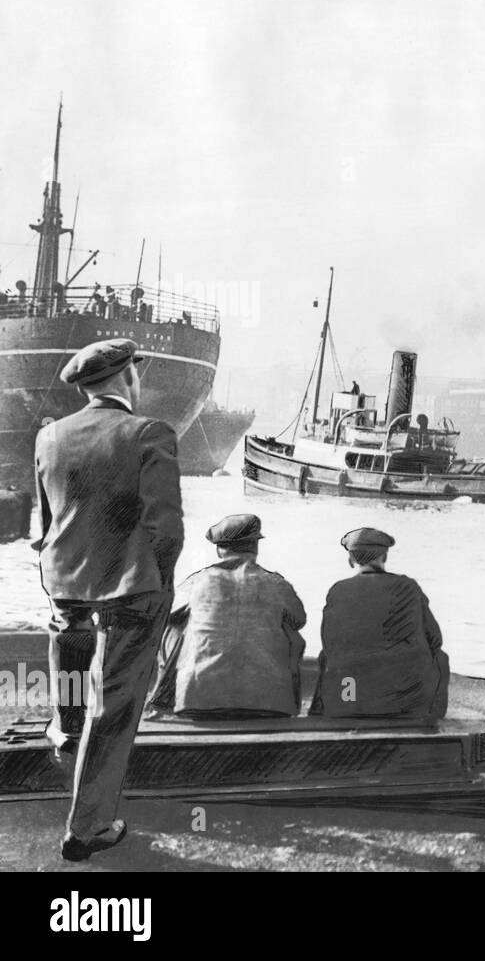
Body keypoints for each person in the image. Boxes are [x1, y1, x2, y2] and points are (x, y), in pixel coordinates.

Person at [34, 338, 183, 861]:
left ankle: (65, 733)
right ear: (127, 378)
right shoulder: (150, 433)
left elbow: (47, 519)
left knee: (73, 669)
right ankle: (88, 827)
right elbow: (166, 529)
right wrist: (159, 586)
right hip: (128, 589)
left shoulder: (49, 435)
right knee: (113, 704)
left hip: (65, 584)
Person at [147, 514, 306, 719]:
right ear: (255, 548)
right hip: (270, 706)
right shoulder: (278, 584)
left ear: (220, 549)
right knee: (290, 632)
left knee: (174, 627)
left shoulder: (197, 582)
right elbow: (299, 619)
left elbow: (164, 616)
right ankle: (286, 700)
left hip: (199, 703)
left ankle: (163, 700)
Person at [310, 528, 448, 720]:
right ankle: (430, 718)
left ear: (351, 560)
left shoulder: (338, 590)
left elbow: (330, 642)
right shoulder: (408, 587)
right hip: (404, 701)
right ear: (384, 556)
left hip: (349, 696)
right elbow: (435, 639)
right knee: (440, 658)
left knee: (327, 657)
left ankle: (327, 713)